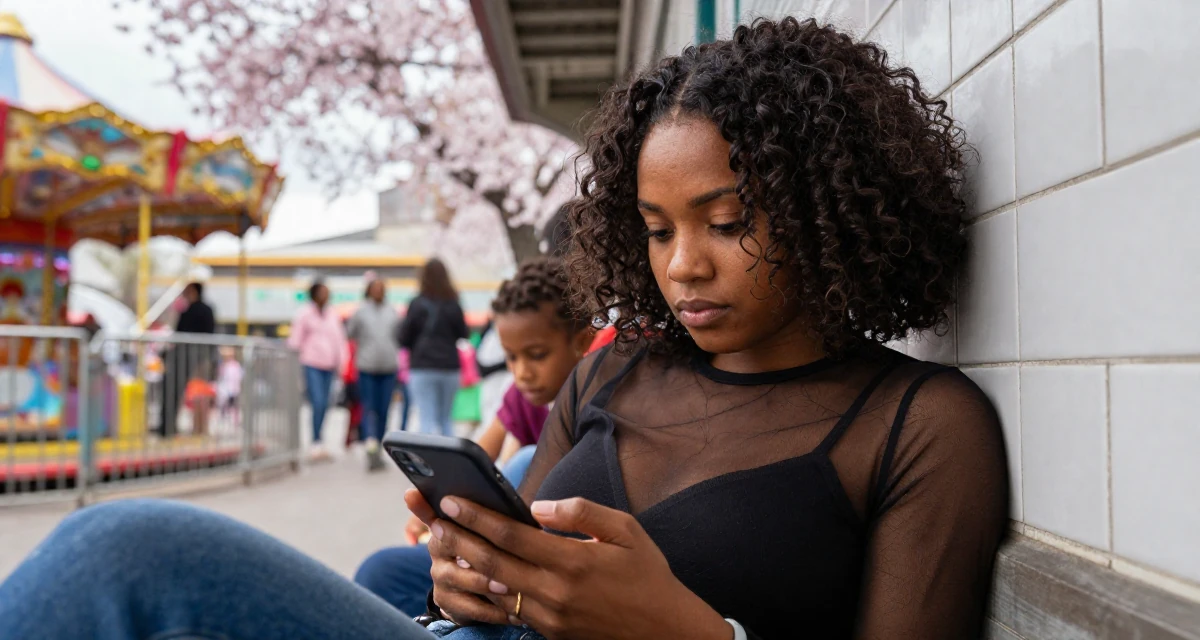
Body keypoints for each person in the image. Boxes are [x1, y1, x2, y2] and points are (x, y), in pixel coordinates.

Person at [0, 18, 1008, 640]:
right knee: (384, 572)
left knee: (123, 555)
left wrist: (691, 633)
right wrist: (474, 574)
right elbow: (511, 558)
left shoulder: (917, 422)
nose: (683, 264)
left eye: (728, 223)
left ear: (832, 206)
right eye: (655, 230)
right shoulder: (612, 377)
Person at [354, 256, 594, 617]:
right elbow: (480, 452)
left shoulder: (594, 402)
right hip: (492, 548)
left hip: (539, 556)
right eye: (511, 358)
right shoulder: (523, 396)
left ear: (582, 340)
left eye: (537, 355)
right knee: (378, 571)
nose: (522, 372)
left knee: (525, 458)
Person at [398, 259, 468, 437]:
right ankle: (449, 462)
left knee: (426, 419)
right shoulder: (453, 304)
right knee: (446, 420)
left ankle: (426, 463)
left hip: (423, 367)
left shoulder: (417, 304)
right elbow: (464, 333)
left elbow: (404, 339)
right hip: (449, 367)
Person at [288, 281, 347, 463]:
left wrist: (342, 363)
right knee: (318, 402)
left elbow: (340, 340)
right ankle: (315, 441)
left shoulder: (332, 314)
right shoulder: (304, 314)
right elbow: (295, 340)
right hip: (311, 363)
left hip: (329, 366)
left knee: (326, 404)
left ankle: (320, 440)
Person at [348, 275, 402, 471]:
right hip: (367, 367)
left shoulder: (393, 312)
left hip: (388, 368)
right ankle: (370, 442)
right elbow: (351, 333)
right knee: (369, 407)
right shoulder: (360, 312)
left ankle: (379, 444)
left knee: (384, 409)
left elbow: (399, 336)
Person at [159, 282, 216, 437]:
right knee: (192, 394)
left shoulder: (193, 311)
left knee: (189, 393)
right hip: (192, 358)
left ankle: (173, 428)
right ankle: (195, 429)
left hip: (188, 359)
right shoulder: (198, 310)